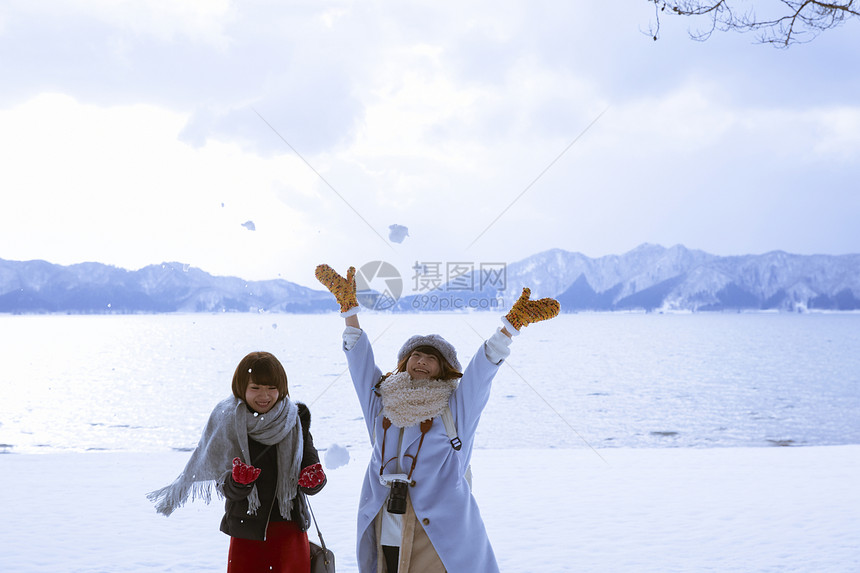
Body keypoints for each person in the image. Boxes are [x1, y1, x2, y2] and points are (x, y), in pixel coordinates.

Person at [315, 264, 560, 573]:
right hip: (385, 524)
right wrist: (349, 310)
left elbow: (481, 373)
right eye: (417, 355)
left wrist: (510, 327)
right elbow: (359, 364)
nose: (422, 360)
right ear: (405, 362)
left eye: (432, 358)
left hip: (436, 532)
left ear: (444, 370)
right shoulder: (383, 399)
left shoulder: (454, 407)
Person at [147, 351, 327, 573]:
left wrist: (315, 480)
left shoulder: (296, 419)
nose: (265, 395)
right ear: (241, 387)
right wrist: (238, 482)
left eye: (272, 388)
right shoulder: (228, 420)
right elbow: (226, 487)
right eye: (256, 388)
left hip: (290, 531)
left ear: (282, 388)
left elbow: (311, 466)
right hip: (247, 533)